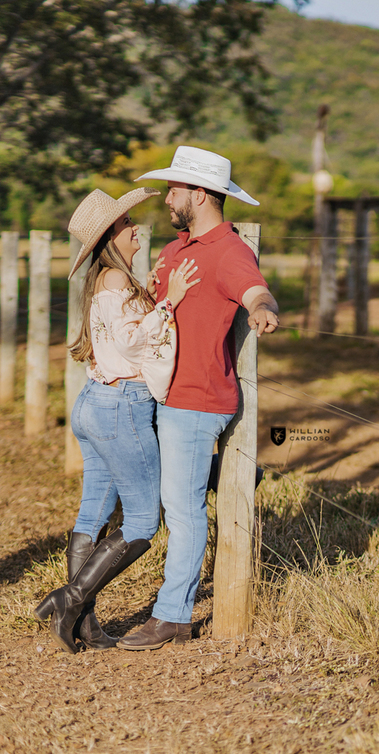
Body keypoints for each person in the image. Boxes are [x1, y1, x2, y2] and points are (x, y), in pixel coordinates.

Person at [117, 146, 280, 651]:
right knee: (171, 500)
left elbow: (255, 289)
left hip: (198, 398)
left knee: (182, 509)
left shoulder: (230, 251)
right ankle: (229, 477)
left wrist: (262, 310)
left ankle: (173, 615)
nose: (168, 198)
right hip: (165, 393)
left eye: (175, 189)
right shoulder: (174, 250)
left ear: (201, 195)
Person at [35, 188, 201, 654]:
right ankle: (71, 599)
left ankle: (82, 624)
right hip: (122, 406)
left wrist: (147, 296)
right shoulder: (116, 282)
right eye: (127, 223)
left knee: (95, 511)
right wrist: (169, 303)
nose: (135, 228)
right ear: (111, 236)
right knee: (145, 519)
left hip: (95, 402)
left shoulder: (106, 280)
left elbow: (117, 333)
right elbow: (130, 346)